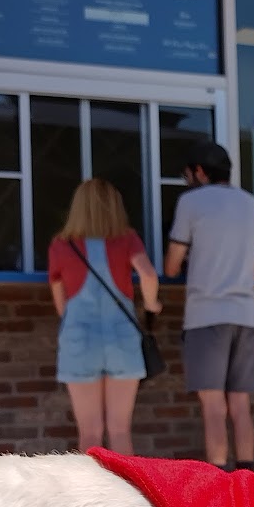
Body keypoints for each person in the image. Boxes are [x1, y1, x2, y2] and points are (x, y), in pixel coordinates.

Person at [165, 139, 254, 470]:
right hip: (247, 314)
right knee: (240, 404)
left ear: (199, 171)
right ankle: (249, 477)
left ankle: (220, 478)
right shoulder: (253, 205)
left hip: (206, 313)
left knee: (212, 405)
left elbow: (171, 265)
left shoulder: (191, 202)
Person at [47, 178, 161, 453]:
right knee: (120, 430)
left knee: (89, 433)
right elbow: (147, 274)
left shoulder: (62, 245)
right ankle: (124, 494)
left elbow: (60, 303)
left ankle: (90, 494)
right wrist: (151, 304)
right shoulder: (126, 239)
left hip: (80, 339)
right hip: (122, 337)